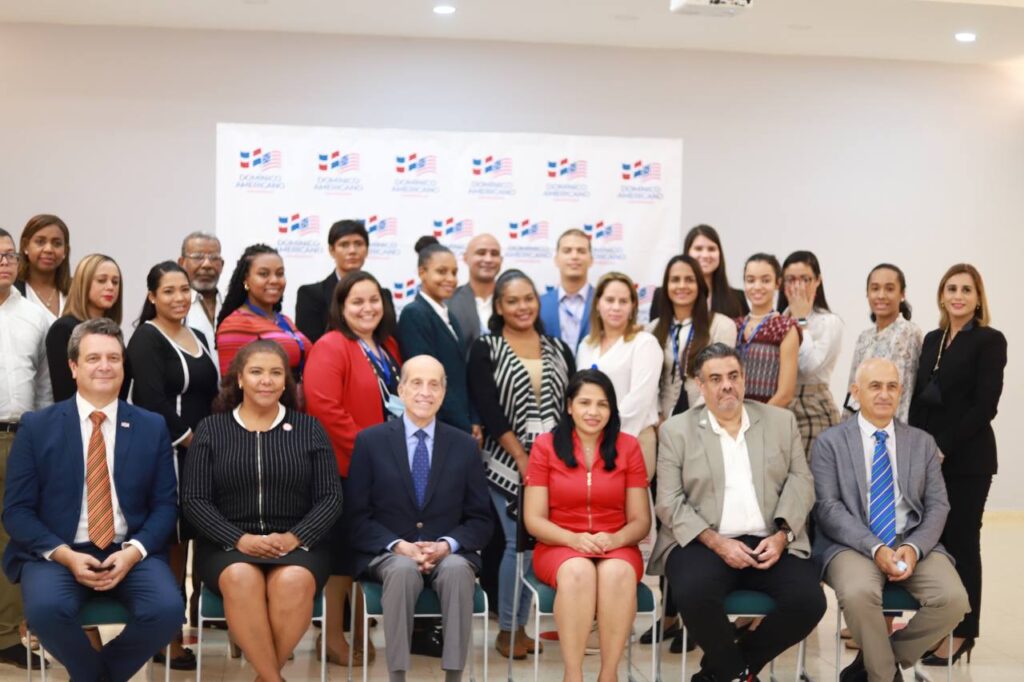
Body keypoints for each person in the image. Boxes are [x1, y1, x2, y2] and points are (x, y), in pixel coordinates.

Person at [2, 318, 183, 681]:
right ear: (73, 367)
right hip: (58, 551)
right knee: (46, 610)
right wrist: (65, 555)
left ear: (123, 365)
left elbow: (166, 506)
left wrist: (133, 552)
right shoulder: (37, 426)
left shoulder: (151, 426)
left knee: (167, 610)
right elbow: (17, 511)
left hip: (128, 550)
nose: (105, 366)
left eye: (113, 358)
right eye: (93, 358)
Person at [650, 343, 825, 682]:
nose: (727, 385)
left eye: (733, 376)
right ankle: (739, 675)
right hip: (703, 542)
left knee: (809, 601)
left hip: (769, 541)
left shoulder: (780, 421)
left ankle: (725, 671)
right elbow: (668, 501)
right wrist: (716, 542)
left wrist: (783, 535)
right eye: (716, 379)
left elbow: (801, 480)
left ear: (744, 379)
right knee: (694, 593)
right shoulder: (677, 431)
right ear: (701, 386)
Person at [182, 340, 343, 682]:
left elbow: (330, 497)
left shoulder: (309, 429)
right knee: (241, 577)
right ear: (240, 379)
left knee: (294, 580)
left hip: (297, 545)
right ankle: (273, 678)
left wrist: (294, 537)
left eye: (275, 373)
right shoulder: (211, 429)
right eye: (256, 372)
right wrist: (239, 539)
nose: (266, 380)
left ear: (286, 382)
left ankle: (265, 677)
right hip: (227, 546)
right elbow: (194, 500)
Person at [813, 358, 969, 682]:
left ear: (900, 392)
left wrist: (913, 548)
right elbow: (828, 508)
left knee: (953, 600)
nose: (884, 394)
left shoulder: (922, 442)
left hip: (909, 540)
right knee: (858, 594)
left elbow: (938, 505)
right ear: (856, 392)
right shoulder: (830, 442)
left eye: (892, 387)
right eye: (875, 386)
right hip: (852, 544)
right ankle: (884, 675)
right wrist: (875, 548)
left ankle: (877, 662)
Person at [344, 355, 493, 682]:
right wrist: (399, 546)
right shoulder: (371, 442)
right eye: (416, 383)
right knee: (402, 571)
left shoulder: (464, 445)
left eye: (434, 384)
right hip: (389, 553)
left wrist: (447, 545)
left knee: (457, 571)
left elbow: (481, 519)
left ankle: (454, 676)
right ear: (401, 389)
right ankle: (397, 675)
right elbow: (356, 516)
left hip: (448, 553)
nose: (425, 392)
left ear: (444, 392)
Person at [467, 269, 574, 659]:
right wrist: (522, 456)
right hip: (505, 461)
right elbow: (489, 409)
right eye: (512, 300)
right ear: (499, 307)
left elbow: (570, 406)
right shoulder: (487, 347)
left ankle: (523, 627)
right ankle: (508, 629)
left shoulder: (558, 348)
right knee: (518, 544)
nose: (522, 306)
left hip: (555, 462)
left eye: (528, 298)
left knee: (537, 545)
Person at [523, 369, 651, 682]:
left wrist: (616, 538)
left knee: (617, 572)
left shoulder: (629, 447)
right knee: (578, 571)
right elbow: (533, 519)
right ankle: (573, 674)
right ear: (569, 406)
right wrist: (573, 539)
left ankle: (609, 675)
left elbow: (641, 520)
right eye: (584, 403)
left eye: (602, 404)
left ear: (612, 410)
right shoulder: (545, 446)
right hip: (558, 544)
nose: (593, 412)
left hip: (616, 544)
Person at [909, 264, 1006, 665]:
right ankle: (938, 624)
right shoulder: (933, 339)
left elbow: (986, 405)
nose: (959, 296)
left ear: (978, 298)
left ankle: (964, 632)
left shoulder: (989, 340)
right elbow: (919, 398)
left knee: (963, 542)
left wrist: (944, 446)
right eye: (952, 288)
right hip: (929, 457)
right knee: (935, 544)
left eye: (967, 289)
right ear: (941, 295)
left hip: (968, 459)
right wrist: (915, 446)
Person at [304, 270, 402, 665]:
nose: (367, 308)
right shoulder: (331, 345)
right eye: (357, 301)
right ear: (341, 307)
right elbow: (325, 409)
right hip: (345, 468)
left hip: (383, 469)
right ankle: (332, 637)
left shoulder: (387, 346)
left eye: (373, 300)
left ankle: (361, 630)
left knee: (367, 552)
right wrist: (372, 451)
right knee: (341, 556)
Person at [127, 261, 219, 670]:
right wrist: (192, 441)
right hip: (170, 454)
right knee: (173, 545)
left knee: (198, 541)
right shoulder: (146, 338)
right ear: (152, 297)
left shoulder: (197, 335)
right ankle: (167, 639)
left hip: (203, 454)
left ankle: (187, 627)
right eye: (168, 291)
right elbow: (150, 399)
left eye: (184, 290)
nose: (179, 297)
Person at [0, 228, 51, 669]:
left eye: (9, 255)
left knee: (12, 536)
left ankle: (6, 636)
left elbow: (46, 386)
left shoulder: (36, 317)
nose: (4, 262)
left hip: (18, 437)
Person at [576, 272, 660, 479]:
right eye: (610, 300)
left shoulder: (644, 343)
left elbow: (639, 400)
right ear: (598, 304)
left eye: (623, 301)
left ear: (633, 307)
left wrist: (607, 437)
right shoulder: (586, 345)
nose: (616, 307)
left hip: (634, 439)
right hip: (591, 442)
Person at [396, 239, 477, 436]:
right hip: (439, 426)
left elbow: (459, 376)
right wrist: (462, 426)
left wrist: (473, 420)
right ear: (422, 272)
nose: (450, 279)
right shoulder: (414, 314)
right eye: (441, 271)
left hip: (459, 423)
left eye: (454, 272)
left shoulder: (449, 316)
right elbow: (426, 378)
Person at [648, 254, 737, 419]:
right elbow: (648, 383)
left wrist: (691, 422)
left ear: (700, 285)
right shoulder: (652, 328)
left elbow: (721, 380)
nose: (682, 286)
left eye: (689, 280)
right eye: (675, 280)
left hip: (706, 419)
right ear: (666, 286)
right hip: (661, 421)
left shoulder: (722, 325)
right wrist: (657, 417)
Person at [777, 251, 844, 456]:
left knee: (809, 473)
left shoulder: (829, 322)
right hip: (779, 406)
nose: (798, 286)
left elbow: (808, 366)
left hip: (813, 407)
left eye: (805, 279)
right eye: (791, 279)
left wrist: (801, 320)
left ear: (817, 281)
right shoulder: (777, 320)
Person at [215, 244, 310, 383]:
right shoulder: (235, 323)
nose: (274, 280)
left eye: (279, 273)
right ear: (246, 279)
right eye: (263, 274)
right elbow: (232, 384)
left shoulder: (284, 320)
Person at [844, 264, 923, 423]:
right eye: (875, 288)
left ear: (902, 294)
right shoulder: (864, 337)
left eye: (889, 289)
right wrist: (846, 427)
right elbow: (853, 388)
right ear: (867, 293)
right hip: (861, 426)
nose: (881, 295)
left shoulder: (908, 333)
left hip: (894, 428)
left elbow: (904, 393)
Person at [46, 253, 127, 402]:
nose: (110, 287)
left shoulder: (114, 332)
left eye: (115, 282)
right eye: (102, 280)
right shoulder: (63, 330)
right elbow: (64, 392)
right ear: (83, 283)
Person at [296, 219, 391, 344]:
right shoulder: (311, 295)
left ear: (367, 250)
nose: (352, 251)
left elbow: (388, 339)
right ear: (331, 250)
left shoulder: (383, 295)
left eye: (358, 244)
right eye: (344, 245)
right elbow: (310, 345)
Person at [735, 253, 801, 406]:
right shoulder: (734, 326)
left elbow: (785, 394)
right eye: (750, 280)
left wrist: (756, 418)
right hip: (732, 414)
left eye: (765, 280)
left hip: (769, 415)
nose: (757, 286)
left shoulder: (785, 328)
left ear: (778, 283)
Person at [650, 224, 748, 321]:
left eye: (711, 249)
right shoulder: (662, 295)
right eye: (698, 249)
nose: (705, 255)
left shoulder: (738, 298)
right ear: (687, 253)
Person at [539, 228, 595, 352]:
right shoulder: (539, 304)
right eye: (567, 251)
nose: (574, 256)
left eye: (581, 251)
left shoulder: (603, 302)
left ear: (591, 260)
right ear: (556, 260)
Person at [177, 231, 225, 370]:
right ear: (181, 263)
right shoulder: (173, 307)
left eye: (214, 258)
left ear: (222, 264)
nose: (207, 264)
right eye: (198, 257)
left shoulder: (231, 305)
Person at [449, 233, 503, 352]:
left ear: (501, 260)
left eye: (494, 254)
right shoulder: (448, 302)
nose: (488, 259)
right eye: (481, 253)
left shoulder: (511, 302)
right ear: (465, 258)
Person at [14, 214, 71, 322]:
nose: (48, 249)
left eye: (57, 244)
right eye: (40, 242)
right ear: (25, 246)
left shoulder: (76, 290)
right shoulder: (11, 290)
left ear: (65, 251)